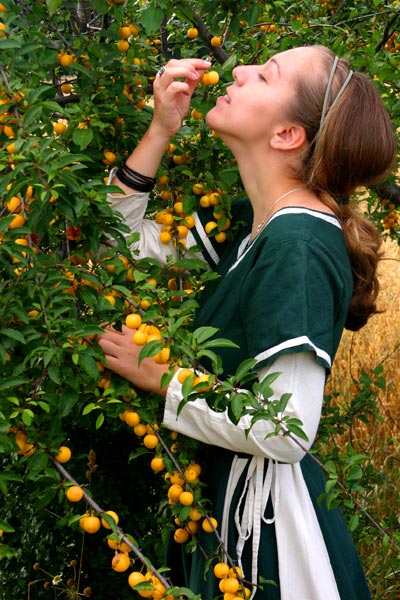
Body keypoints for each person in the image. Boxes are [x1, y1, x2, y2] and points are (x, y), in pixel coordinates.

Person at [97, 45, 397, 600]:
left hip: (266, 536)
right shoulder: (252, 221)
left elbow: (286, 429)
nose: (237, 70)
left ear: (286, 135)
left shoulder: (298, 246)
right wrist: (160, 130)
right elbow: (117, 247)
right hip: (223, 508)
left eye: (265, 75)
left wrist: (163, 377)